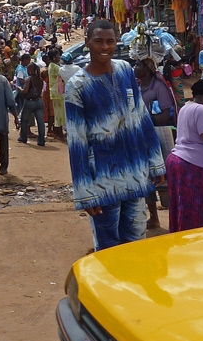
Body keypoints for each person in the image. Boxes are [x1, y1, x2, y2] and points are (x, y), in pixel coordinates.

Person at [65, 19, 165, 250]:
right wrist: (84, 192)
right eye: (98, 41)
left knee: (136, 243)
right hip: (103, 180)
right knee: (109, 247)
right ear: (87, 43)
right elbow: (76, 140)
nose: (104, 47)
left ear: (116, 42)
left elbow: (141, 117)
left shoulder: (125, 70)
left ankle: (134, 286)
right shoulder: (77, 86)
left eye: (110, 41)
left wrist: (156, 161)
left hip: (135, 173)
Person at [165, 79, 203, 232]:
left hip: (177, 160)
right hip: (192, 164)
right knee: (197, 207)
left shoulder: (186, 107)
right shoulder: (202, 110)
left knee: (181, 205)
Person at [135, 57, 177, 229]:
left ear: (147, 68)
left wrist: (145, 120)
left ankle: (171, 216)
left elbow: (165, 115)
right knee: (146, 178)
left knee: (161, 177)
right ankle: (153, 217)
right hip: (142, 137)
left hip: (158, 137)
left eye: (138, 65)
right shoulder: (138, 87)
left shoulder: (158, 88)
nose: (135, 67)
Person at [18, 62, 46, 146]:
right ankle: (41, 140)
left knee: (24, 119)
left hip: (29, 102)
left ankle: (23, 137)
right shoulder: (40, 80)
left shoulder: (28, 79)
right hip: (39, 101)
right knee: (40, 122)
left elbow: (25, 91)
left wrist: (20, 89)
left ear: (30, 70)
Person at [47, 50, 66, 140]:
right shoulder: (55, 67)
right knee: (59, 112)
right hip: (58, 92)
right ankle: (58, 132)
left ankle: (57, 131)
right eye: (58, 56)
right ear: (54, 57)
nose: (59, 57)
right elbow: (64, 75)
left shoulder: (52, 66)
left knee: (58, 112)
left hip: (55, 91)